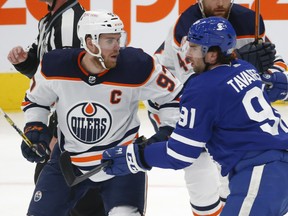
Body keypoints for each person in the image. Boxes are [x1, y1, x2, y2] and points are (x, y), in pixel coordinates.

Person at [102, 16, 288, 216]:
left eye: (194, 48)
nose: (188, 54)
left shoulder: (202, 88)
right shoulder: (246, 68)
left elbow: (180, 154)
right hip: (276, 164)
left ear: (213, 55)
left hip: (263, 172)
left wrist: (135, 157)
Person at [20, 9, 183, 216]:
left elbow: (175, 95)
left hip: (123, 163)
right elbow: (36, 100)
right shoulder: (55, 66)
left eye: (118, 39)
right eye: (109, 41)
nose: (117, 47)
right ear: (89, 42)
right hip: (68, 162)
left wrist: (167, 129)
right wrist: (36, 130)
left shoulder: (137, 66)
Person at [7, 1, 106, 216]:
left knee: (81, 200)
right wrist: (26, 62)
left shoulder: (71, 23)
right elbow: (47, 74)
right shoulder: (50, 20)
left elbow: (76, 84)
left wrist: (60, 137)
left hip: (75, 129)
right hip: (63, 125)